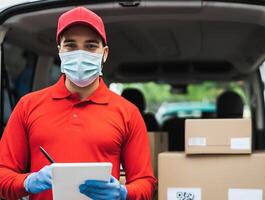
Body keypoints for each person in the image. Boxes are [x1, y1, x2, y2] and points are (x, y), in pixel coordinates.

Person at [0, 7, 156, 200]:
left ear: (104, 53)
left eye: (90, 46)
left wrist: (124, 193)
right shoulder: (28, 106)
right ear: (60, 51)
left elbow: (145, 183)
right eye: (71, 46)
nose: (80, 54)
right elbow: (2, 176)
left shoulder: (128, 113)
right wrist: (28, 182)